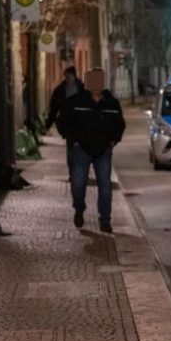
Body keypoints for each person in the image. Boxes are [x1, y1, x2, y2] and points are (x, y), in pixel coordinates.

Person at [57, 68, 124, 233]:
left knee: (105, 186)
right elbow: (62, 120)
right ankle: (79, 208)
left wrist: (113, 141)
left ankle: (105, 221)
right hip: (81, 149)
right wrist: (72, 139)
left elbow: (119, 124)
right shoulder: (76, 102)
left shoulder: (112, 103)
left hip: (103, 150)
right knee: (78, 184)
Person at [46, 66, 84, 172]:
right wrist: (48, 124)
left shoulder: (82, 88)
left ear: (74, 76)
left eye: (69, 76)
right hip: (68, 124)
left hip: (81, 124)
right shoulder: (60, 90)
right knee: (71, 147)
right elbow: (54, 109)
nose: (67, 78)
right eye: (65, 76)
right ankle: (72, 171)